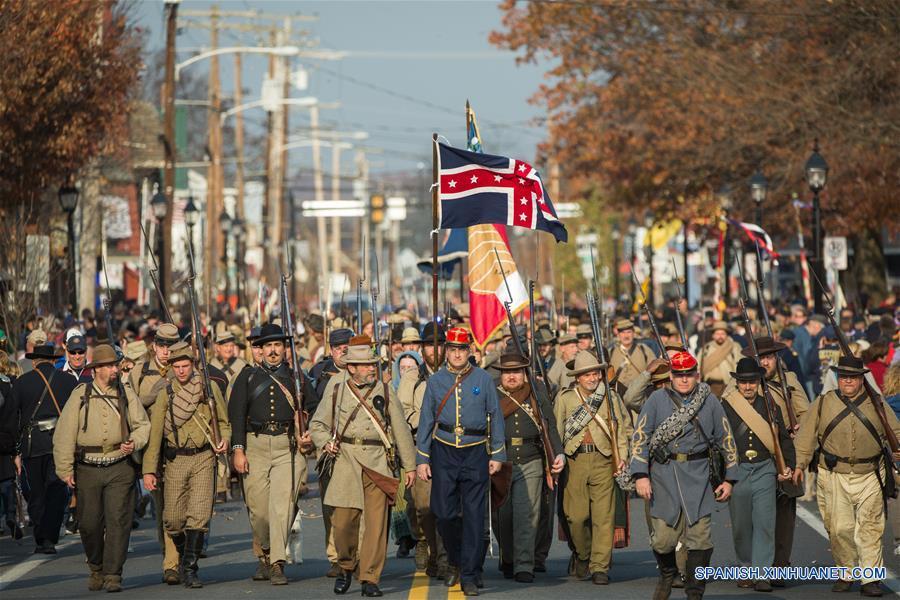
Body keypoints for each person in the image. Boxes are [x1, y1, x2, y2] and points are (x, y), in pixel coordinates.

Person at [310, 338, 417, 597]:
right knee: (343, 523)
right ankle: (346, 566)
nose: (372, 368)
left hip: (378, 462)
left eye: (373, 364)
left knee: (376, 526)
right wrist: (325, 443)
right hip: (345, 460)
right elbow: (317, 425)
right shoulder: (337, 389)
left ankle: (370, 577)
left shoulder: (385, 390)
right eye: (367, 365)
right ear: (352, 368)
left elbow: (401, 430)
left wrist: (410, 466)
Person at [630, 351, 739, 600]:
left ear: (697, 375)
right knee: (662, 540)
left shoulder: (709, 401)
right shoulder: (656, 399)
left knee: (701, 540)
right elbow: (640, 437)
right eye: (679, 375)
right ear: (671, 376)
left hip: (699, 476)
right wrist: (640, 475)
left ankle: (695, 591)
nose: (684, 379)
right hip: (664, 475)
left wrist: (730, 479)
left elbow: (726, 439)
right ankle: (668, 573)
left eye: (689, 374)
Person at [792, 356, 900, 597]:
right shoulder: (822, 403)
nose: (848, 381)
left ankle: (870, 578)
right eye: (843, 377)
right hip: (833, 474)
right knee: (839, 529)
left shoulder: (877, 403)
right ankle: (846, 572)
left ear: (862, 379)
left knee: (870, 529)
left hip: (870, 473)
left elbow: (896, 432)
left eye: (853, 377)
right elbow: (806, 436)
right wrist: (799, 465)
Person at [52, 344, 151, 593]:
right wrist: (65, 468)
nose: (115, 369)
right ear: (96, 369)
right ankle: (96, 567)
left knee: (119, 521)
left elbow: (143, 425)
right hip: (88, 467)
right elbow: (64, 432)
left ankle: (113, 573)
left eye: (115, 365)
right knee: (88, 523)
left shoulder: (126, 393)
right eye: (109, 366)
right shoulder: (81, 394)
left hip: (120, 466)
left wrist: (134, 442)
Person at [416, 327, 506, 597]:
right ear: (446, 351)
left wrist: (497, 454)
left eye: (462, 349)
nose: (457, 354)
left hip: (475, 450)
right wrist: (422, 458)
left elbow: (496, 416)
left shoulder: (483, 378)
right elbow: (426, 420)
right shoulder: (436, 381)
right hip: (444, 450)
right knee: (443, 513)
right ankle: (455, 559)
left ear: (469, 351)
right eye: (453, 349)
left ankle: (469, 574)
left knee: (475, 516)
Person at [228, 323, 313, 585]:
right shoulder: (247, 377)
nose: (273, 350)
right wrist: (238, 450)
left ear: (285, 349)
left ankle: (277, 562)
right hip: (255, 445)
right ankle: (264, 552)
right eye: (268, 346)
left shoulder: (297, 378)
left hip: (287, 446)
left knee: (282, 506)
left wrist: (306, 429)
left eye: (277, 345)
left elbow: (314, 407)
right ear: (261, 350)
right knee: (259, 511)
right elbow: (236, 415)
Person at [141, 341, 230, 588]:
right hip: (176, 459)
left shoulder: (208, 388)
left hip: (203, 457)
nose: (181, 371)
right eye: (177, 366)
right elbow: (155, 434)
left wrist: (224, 439)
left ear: (193, 365)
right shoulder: (166, 393)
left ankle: (190, 569)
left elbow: (224, 422)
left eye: (185, 365)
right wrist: (149, 470)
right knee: (172, 519)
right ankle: (182, 557)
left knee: (198, 517)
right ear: (171, 367)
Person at [554, 351, 631, 584]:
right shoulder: (566, 398)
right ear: (577, 377)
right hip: (574, 461)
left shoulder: (611, 397)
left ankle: (600, 567)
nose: (592, 378)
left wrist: (622, 457)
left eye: (595, 373)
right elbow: (557, 431)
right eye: (586, 374)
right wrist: (556, 459)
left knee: (603, 517)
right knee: (576, 517)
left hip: (603, 460)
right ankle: (583, 554)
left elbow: (621, 429)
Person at [721, 358, 794, 592]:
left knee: (765, 523)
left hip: (764, 468)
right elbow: (718, 442)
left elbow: (783, 439)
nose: (748, 386)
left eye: (752, 381)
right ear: (737, 383)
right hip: (737, 470)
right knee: (741, 526)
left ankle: (762, 573)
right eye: (743, 382)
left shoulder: (771, 406)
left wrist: (788, 466)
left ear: (758, 382)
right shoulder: (726, 407)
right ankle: (746, 568)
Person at [494, 352, 564, 583]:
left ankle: (524, 564)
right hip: (500, 460)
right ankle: (508, 557)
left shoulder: (536, 393)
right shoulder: (492, 394)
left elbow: (549, 426)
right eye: (507, 372)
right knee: (503, 517)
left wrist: (558, 453)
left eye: (516, 371)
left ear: (524, 373)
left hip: (530, 458)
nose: (511, 376)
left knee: (526, 515)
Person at [9, 343, 77, 553]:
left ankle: (42, 537)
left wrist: (14, 450)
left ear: (34, 362)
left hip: (32, 445)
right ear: (53, 361)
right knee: (57, 491)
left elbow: (12, 418)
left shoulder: (22, 383)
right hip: (61, 442)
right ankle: (50, 535)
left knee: (36, 492)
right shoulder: (69, 381)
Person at [400, 323, 450, 577]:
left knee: (448, 507)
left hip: (451, 446)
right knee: (423, 506)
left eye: (439, 344)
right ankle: (428, 545)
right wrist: (427, 419)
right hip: (422, 447)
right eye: (429, 344)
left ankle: (443, 558)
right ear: (422, 348)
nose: (434, 350)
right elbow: (403, 411)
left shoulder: (456, 374)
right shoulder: (412, 378)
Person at [308, 325, 353, 577]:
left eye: (348, 347)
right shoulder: (318, 373)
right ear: (331, 351)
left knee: (357, 503)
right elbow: (309, 407)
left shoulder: (365, 369)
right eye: (338, 348)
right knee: (331, 503)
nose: (343, 351)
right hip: (328, 445)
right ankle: (336, 556)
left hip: (357, 445)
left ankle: (356, 553)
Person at [610, 319, 654, 397]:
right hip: (618, 396)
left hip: (640, 395)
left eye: (629, 332)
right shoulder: (611, 352)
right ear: (618, 335)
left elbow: (654, 369)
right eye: (623, 332)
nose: (626, 336)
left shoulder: (644, 349)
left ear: (633, 333)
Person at [698, 321, 742, 398]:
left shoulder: (734, 346)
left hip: (728, 386)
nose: (720, 336)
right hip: (710, 385)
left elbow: (739, 364)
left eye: (722, 333)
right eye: (717, 334)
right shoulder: (706, 348)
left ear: (726, 335)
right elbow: (698, 364)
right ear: (713, 335)